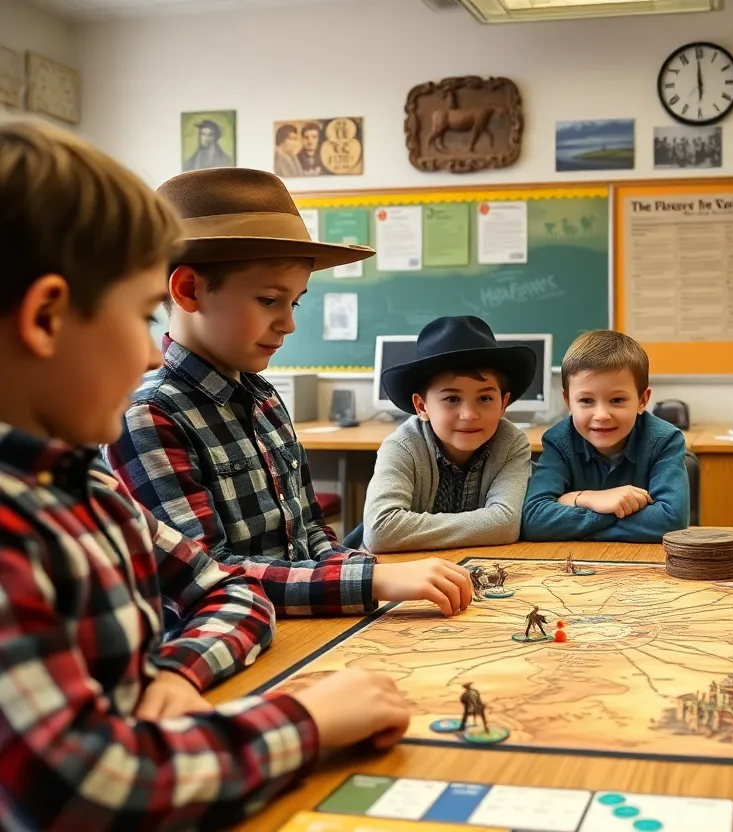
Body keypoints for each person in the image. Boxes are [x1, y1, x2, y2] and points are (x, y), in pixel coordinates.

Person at [0, 119, 411, 829]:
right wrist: (307, 720)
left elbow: (230, 591)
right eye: (139, 316)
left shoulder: (82, 488)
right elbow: (90, 787)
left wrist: (170, 673)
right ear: (47, 317)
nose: (148, 354)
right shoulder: (18, 528)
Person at [103, 167, 473, 620]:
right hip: (219, 643)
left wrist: (375, 571)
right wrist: (373, 580)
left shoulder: (264, 399)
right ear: (187, 289)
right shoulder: (148, 416)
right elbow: (205, 573)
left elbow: (311, 534)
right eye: (268, 300)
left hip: (299, 626)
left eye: (294, 302)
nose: (289, 323)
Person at [361, 316, 535, 553]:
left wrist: (409, 529)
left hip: (472, 568)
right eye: (452, 399)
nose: (469, 414)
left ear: (503, 403)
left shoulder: (511, 443)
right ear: (422, 407)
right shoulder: (402, 446)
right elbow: (381, 531)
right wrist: (487, 524)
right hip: (403, 572)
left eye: (485, 398)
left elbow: (506, 523)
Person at [522, 330, 689, 542]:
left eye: (617, 400)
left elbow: (671, 522)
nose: (601, 415)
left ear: (642, 400)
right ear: (568, 402)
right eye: (586, 401)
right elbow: (535, 520)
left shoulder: (664, 440)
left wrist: (573, 501)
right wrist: (593, 499)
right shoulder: (558, 441)